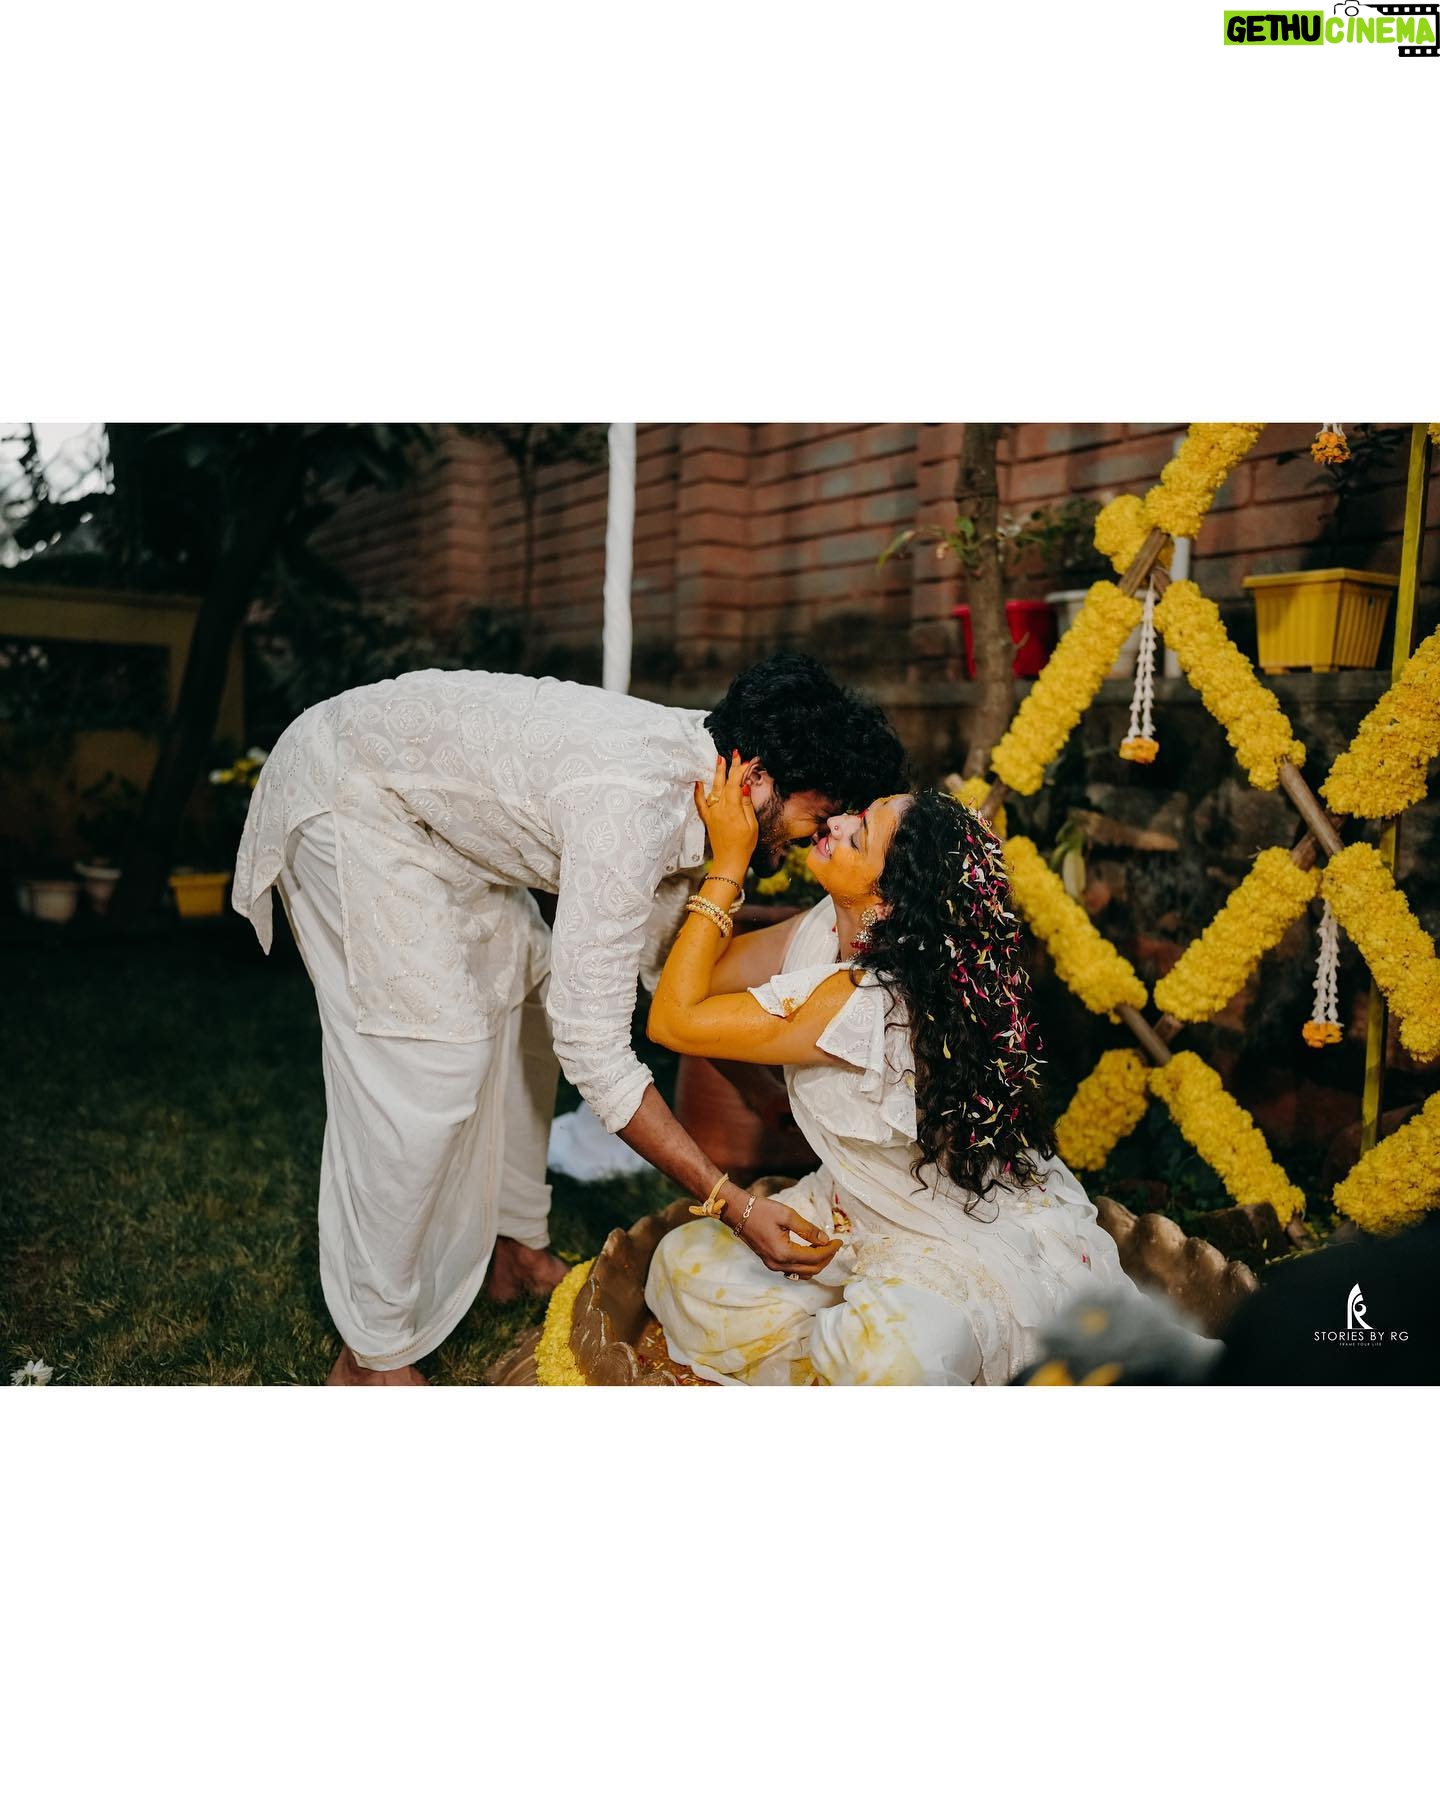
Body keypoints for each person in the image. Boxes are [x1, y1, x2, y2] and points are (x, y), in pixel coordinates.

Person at [232, 653, 907, 1384]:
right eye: (815, 818)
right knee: (430, 1064)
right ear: (759, 779)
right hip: (350, 793)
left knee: (531, 991)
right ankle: (372, 1355)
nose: (810, 840)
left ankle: (514, 1248)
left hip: (436, 822)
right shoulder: (630, 808)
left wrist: (764, 1098)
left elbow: (669, 978)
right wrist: (732, 1205)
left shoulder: (712, 793)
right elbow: (594, 1048)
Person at [643, 757, 1137, 1385]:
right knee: (683, 1266)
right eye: (858, 814)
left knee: (891, 1359)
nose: (837, 822)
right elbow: (696, 979)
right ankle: (839, 1332)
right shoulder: (824, 927)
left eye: (860, 837)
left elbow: (671, 1020)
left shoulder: (871, 1000)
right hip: (856, 1208)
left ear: (891, 900)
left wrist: (730, 862)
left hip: (946, 1238)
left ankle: (865, 1341)